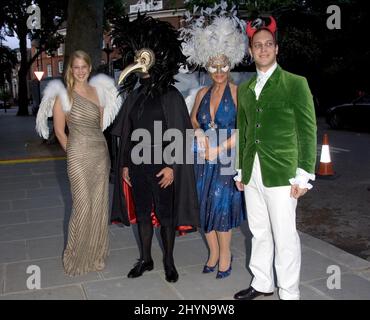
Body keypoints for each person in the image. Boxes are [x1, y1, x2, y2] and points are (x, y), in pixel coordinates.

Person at [110, 14, 200, 283]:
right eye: (138, 58)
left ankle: (169, 261)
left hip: (163, 167)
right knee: (142, 216)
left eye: (145, 57)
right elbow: (127, 133)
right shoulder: (135, 95)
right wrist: (125, 164)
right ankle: (146, 260)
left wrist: (173, 167)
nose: (141, 63)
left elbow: (182, 135)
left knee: (166, 216)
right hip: (138, 167)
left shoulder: (171, 96)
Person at [233, 17, 317, 300]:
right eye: (258, 45)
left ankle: (289, 292)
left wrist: (304, 174)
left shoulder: (295, 83)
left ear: (277, 49)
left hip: (282, 172)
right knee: (258, 231)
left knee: (285, 236)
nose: (263, 49)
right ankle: (262, 282)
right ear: (251, 50)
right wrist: (240, 171)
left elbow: (308, 131)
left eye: (268, 44)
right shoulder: (244, 89)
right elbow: (244, 131)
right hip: (252, 172)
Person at [36, 50, 122, 276]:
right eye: (76, 67)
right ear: (70, 70)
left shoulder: (98, 92)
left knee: (98, 204)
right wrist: (73, 151)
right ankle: (76, 256)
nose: (81, 71)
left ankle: (95, 253)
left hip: (100, 154)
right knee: (82, 205)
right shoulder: (63, 95)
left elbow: (101, 124)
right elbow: (59, 131)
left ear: (90, 68)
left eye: (84, 67)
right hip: (77, 155)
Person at [180, 8, 247, 278]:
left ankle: (225, 256)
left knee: (221, 208)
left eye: (223, 65)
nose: (218, 70)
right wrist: (197, 133)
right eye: (213, 66)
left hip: (226, 158)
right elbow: (193, 120)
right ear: (207, 67)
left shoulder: (238, 92)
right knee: (204, 208)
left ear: (230, 64)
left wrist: (219, 148)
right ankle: (213, 253)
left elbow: (244, 129)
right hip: (202, 159)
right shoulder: (202, 92)